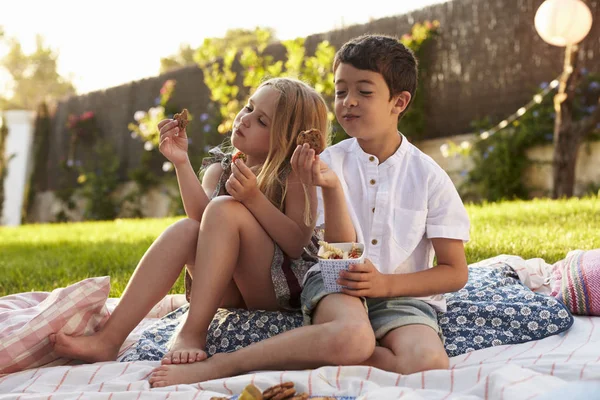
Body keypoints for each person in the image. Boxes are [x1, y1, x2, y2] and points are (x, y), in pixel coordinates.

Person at [148, 34, 470, 388]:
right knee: (353, 335)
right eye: (340, 91)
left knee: (427, 364)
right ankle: (225, 365)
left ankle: (317, 348)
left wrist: (385, 284)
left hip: (401, 296)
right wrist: (331, 189)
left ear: (399, 101)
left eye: (364, 92)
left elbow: (454, 271)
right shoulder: (320, 163)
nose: (348, 102)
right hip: (337, 286)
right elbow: (326, 255)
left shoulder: (429, 177)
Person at [50, 77, 330, 365]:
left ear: (286, 138)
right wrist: (181, 162)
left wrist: (253, 199)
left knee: (224, 208)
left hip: (276, 293)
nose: (244, 120)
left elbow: (296, 243)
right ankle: (108, 339)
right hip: (229, 288)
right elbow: (203, 221)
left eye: (261, 121)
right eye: (248, 108)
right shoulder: (222, 166)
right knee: (186, 229)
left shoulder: (295, 174)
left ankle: (192, 332)